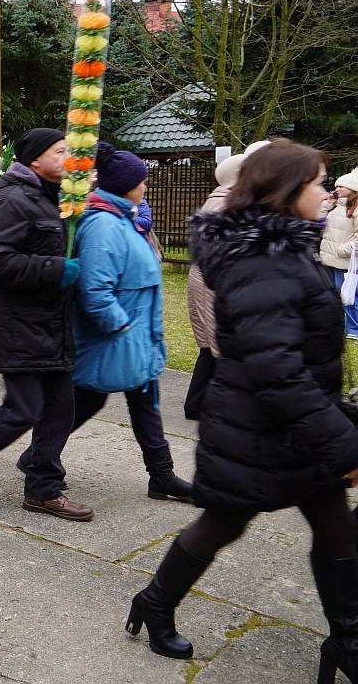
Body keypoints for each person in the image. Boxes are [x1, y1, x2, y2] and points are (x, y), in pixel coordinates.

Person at [127, 141, 358, 680]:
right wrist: (344, 443)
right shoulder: (264, 261)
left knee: (336, 532)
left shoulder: (281, 247)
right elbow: (276, 370)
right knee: (222, 523)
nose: (327, 193)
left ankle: (346, 638)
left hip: (296, 428)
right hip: (259, 428)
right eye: (319, 182)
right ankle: (154, 602)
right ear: (286, 190)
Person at [20, 144, 192, 502]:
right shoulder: (103, 225)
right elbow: (95, 289)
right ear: (124, 186)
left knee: (143, 405)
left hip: (134, 338)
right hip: (116, 339)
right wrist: (121, 327)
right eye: (142, 182)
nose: (146, 187)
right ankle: (38, 459)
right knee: (87, 400)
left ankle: (162, 476)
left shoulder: (121, 217)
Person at [0, 127, 94, 521]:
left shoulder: (53, 198)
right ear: (34, 160)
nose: (68, 157)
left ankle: (42, 488)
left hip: (51, 323)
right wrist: (53, 269)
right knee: (24, 409)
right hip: (19, 325)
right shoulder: (13, 199)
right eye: (59, 151)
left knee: (61, 408)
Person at [185, 154, 246, 421]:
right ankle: (217, 405)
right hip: (213, 282)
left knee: (210, 346)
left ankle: (197, 403)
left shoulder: (219, 200)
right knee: (220, 344)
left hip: (205, 279)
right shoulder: (226, 206)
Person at [322, 167, 358, 340]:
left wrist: (341, 250)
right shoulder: (337, 206)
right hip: (329, 260)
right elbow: (318, 218)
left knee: (350, 300)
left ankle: (353, 334)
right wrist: (329, 202)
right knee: (336, 299)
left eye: (340, 187)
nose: (336, 190)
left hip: (344, 263)